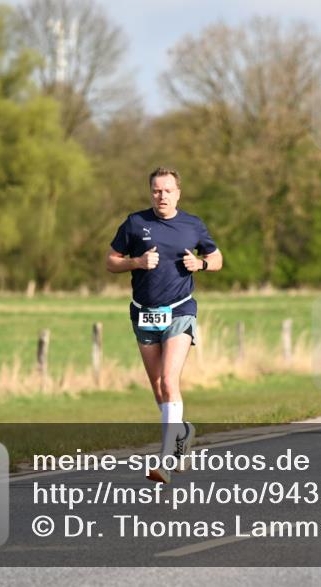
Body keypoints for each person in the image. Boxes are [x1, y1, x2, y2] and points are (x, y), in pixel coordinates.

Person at [106, 167, 223, 483]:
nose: (162, 196)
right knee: (158, 385)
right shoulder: (135, 223)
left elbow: (217, 258)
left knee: (170, 380)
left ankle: (165, 459)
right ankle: (183, 432)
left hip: (179, 309)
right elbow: (111, 261)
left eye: (168, 190)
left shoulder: (192, 225)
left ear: (178, 193)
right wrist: (137, 262)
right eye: (157, 190)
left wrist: (200, 264)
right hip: (143, 311)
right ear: (151, 193)